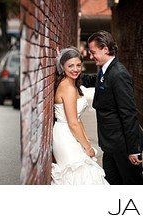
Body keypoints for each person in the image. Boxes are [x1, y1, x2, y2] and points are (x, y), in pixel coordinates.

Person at [80, 31, 143, 185]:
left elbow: (128, 114)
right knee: (111, 183)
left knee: (131, 183)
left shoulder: (118, 74)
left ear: (105, 49)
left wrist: (134, 149)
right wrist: (69, 70)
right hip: (110, 145)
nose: (91, 56)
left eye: (93, 52)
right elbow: (92, 80)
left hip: (123, 146)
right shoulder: (106, 70)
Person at [50, 47, 108, 185]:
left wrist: (85, 141)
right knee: (80, 176)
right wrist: (88, 148)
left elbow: (77, 119)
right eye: (70, 65)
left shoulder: (72, 84)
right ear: (62, 67)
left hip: (71, 133)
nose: (75, 69)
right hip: (65, 136)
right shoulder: (68, 88)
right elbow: (73, 122)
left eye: (78, 65)